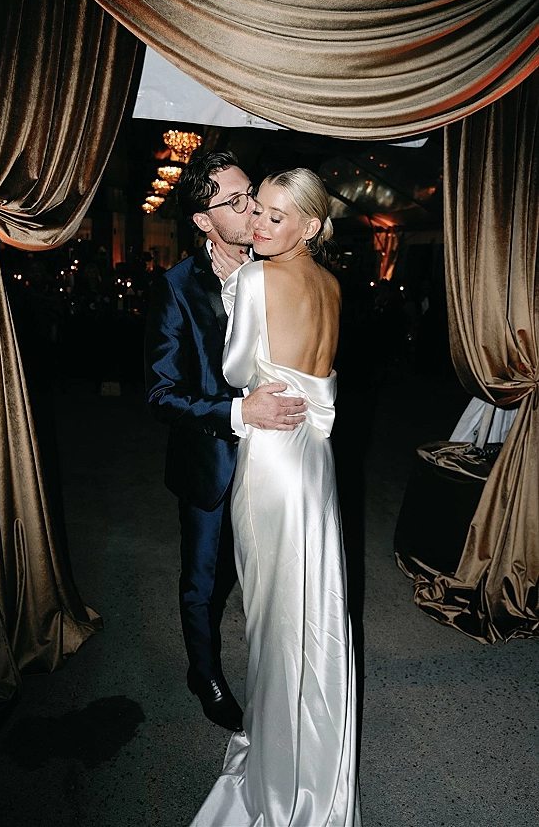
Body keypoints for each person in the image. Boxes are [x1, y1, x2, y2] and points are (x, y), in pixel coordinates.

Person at [190, 169, 362, 826]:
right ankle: (310, 756)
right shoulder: (333, 284)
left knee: (272, 620)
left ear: (312, 225)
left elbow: (238, 370)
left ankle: (275, 772)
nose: (258, 226)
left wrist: (235, 291)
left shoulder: (258, 279)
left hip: (271, 460)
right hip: (314, 461)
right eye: (256, 211)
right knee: (311, 607)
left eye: (275, 217)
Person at [145, 152, 308, 733]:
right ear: (202, 220)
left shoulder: (283, 270)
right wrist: (241, 411)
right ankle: (204, 672)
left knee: (275, 572)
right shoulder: (176, 288)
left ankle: (283, 670)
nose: (252, 211)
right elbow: (161, 394)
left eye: (253, 198)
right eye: (236, 202)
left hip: (281, 461)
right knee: (204, 579)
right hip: (211, 462)